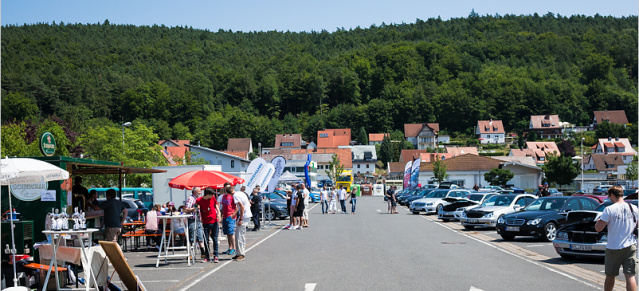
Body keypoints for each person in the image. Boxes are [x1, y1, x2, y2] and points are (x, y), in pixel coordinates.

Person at [595, 185, 638, 291]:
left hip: (614, 247)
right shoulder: (634, 208)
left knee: (610, 275)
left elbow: (598, 229)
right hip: (630, 245)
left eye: (609, 197)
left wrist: (598, 222)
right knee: (630, 275)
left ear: (612, 195)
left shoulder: (609, 209)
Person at [197, 187, 221, 263]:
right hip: (205, 221)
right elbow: (198, 208)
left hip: (214, 220)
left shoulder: (212, 198)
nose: (212, 196)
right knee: (206, 240)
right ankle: (207, 256)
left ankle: (216, 256)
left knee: (215, 239)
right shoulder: (199, 200)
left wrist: (219, 213)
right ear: (207, 195)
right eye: (211, 195)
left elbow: (216, 205)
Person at [184, 187, 206, 259]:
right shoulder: (191, 198)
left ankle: (203, 252)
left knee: (200, 236)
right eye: (199, 191)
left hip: (198, 219)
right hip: (192, 220)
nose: (200, 193)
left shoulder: (198, 199)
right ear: (194, 192)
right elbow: (186, 209)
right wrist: (194, 208)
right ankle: (189, 254)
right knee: (192, 238)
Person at [218, 183, 238, 257]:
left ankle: (234, 248)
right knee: (227, 233)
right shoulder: (223, 196)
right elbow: (223, 207)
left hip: (231, 216)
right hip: (225, 216)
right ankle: (230, 247)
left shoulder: (233, 196)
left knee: (231, 232)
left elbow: (237, 207)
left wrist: (233, 215)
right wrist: (221, 215)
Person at [233, 185, 251, 261]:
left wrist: (240, 218)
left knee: (240, 236)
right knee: (238, 235)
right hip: (246, 215)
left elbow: (242, 206)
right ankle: (238, 253)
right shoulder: (240, 193)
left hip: (244, 216)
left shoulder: (235, 195)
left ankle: (241, 254)